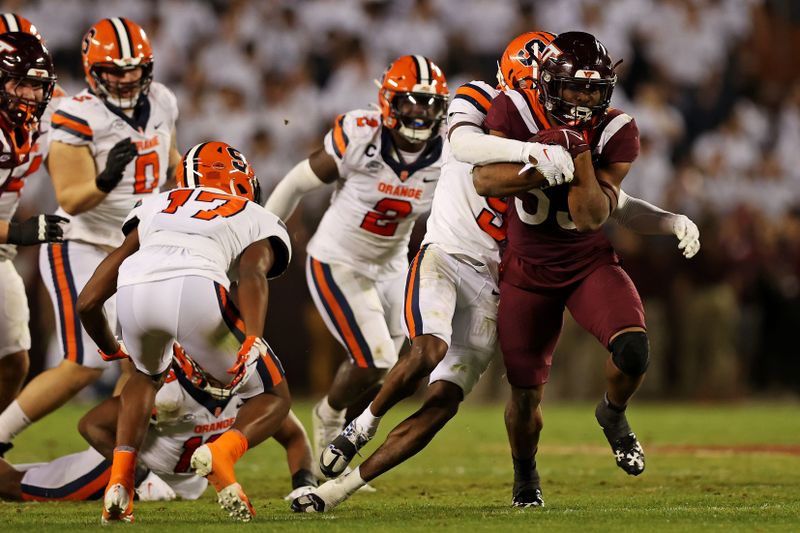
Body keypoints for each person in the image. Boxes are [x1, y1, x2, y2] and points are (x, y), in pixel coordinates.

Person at [292, 32, 700, 512]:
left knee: (445, 400)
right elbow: (467, 150)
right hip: (455, 255)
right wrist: (533, 153)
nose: (554, 99)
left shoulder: (577, 127)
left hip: (500, 277)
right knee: (430, 352)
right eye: (540, 84)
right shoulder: (490, 103)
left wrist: (666, 217)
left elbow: (613, 205)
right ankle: (359, 427)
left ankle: (337, 491)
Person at [471, 30, 659, 505]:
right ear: (550, 82)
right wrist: (539, 154)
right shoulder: (514, 109)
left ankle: (613, 412)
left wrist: (575, 153)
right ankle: (526, 476)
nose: (583, 98)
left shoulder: (617, 130)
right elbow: (484, 179)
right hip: (527, 269)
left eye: (594, 91)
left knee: (634, 350)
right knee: (526, 395)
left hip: (585, 261)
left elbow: (592, 216)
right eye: (574, 87)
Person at [77, 141, 291, 523]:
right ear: (242, 181)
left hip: (134, 290)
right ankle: (222, 454)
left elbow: (88, 301)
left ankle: (121, 482)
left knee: (146, 375)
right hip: (197, 292)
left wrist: (109, 347)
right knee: (273, 394)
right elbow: (252, 272)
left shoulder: (156, 204)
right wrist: (254, 335)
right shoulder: (252, 212)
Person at [0, 17, 181, 455]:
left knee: (146, 362)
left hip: (132, 247)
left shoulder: (158, 101)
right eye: (114, 70)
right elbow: (72, 196)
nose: (125, 79)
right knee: (82, 364)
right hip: (80, 243)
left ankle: (126, 456)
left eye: (132, 69)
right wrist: (104, 180)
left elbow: (172, 161)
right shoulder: (77, 115)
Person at [265, 55, 450, 462]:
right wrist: (263, 234)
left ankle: (343, 439)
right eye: (411, 102)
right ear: (388, 102)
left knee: (407, 362)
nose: (420, 113)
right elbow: (298, 181)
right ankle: (330, 419)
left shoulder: (448, 153)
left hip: (392, 265)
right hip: (338, 259)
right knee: (375, 358)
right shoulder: (361, 135)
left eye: (429, 104)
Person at [0, 356, 317, 503]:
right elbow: (92, 424)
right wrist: (137, 476)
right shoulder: (166, 392)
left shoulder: (248, 392)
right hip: (120, 466)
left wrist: (304, 484)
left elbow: (294, 436)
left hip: (180, 483)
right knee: (14, 486)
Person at [0, 29, 66, 423]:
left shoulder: (48, 112)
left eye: (36, 85)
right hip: (8, 236)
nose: (29, 94)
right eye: (19, 83)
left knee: (14, 360)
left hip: (2, 245)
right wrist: (20, 233)